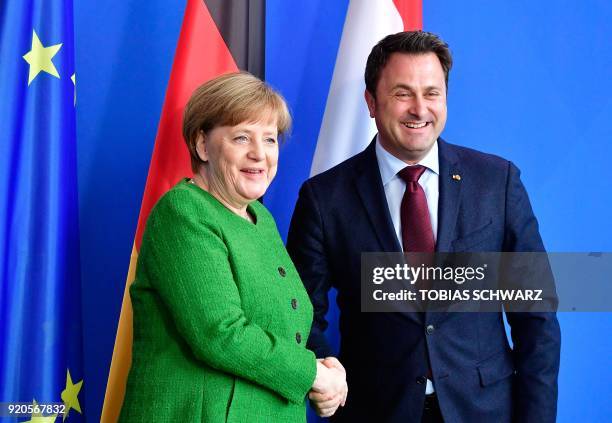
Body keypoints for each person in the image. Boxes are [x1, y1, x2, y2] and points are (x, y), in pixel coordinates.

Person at [287, 31, 561, 423]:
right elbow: (299, 314)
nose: (419, 109)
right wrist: (323, 374)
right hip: (375, 411)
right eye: (402, 93)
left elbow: (536, 314)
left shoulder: (497, 182)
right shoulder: (324, 198)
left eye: (431, 93)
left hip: (485, 411)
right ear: (371, 102)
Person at [119, 72, 347, 422]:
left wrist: (326, 367)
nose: (259, 154)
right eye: (242, 137)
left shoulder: (260, 218)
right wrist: (314, 374)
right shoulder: (183, 213)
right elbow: (220, 334)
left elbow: (283, 326)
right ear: (201, 144)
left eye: (269, 140)